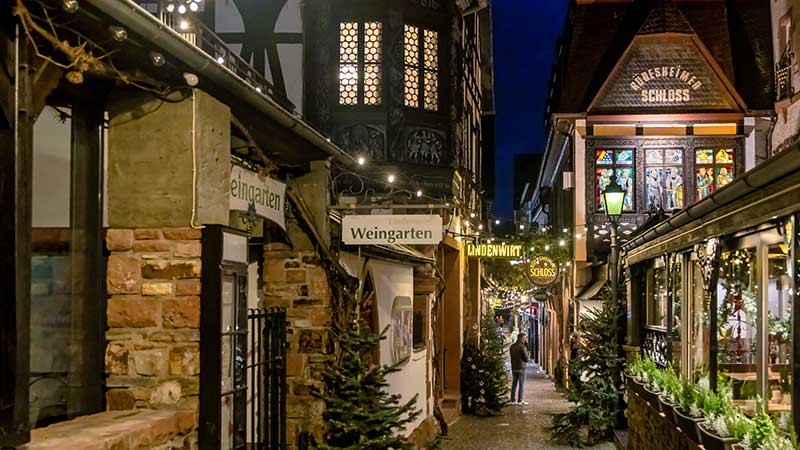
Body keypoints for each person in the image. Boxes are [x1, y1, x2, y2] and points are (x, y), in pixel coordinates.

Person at [509, 334, 530, 405]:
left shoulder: (512, 346)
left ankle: (512, 400)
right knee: (521, 384)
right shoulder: (522, 347)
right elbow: (526, 359)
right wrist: (528, 353)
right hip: (521, 368)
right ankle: (520, 400)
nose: (526, 339)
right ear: (522, 338)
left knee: (514, 384)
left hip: (514, 367)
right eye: (525, 338)